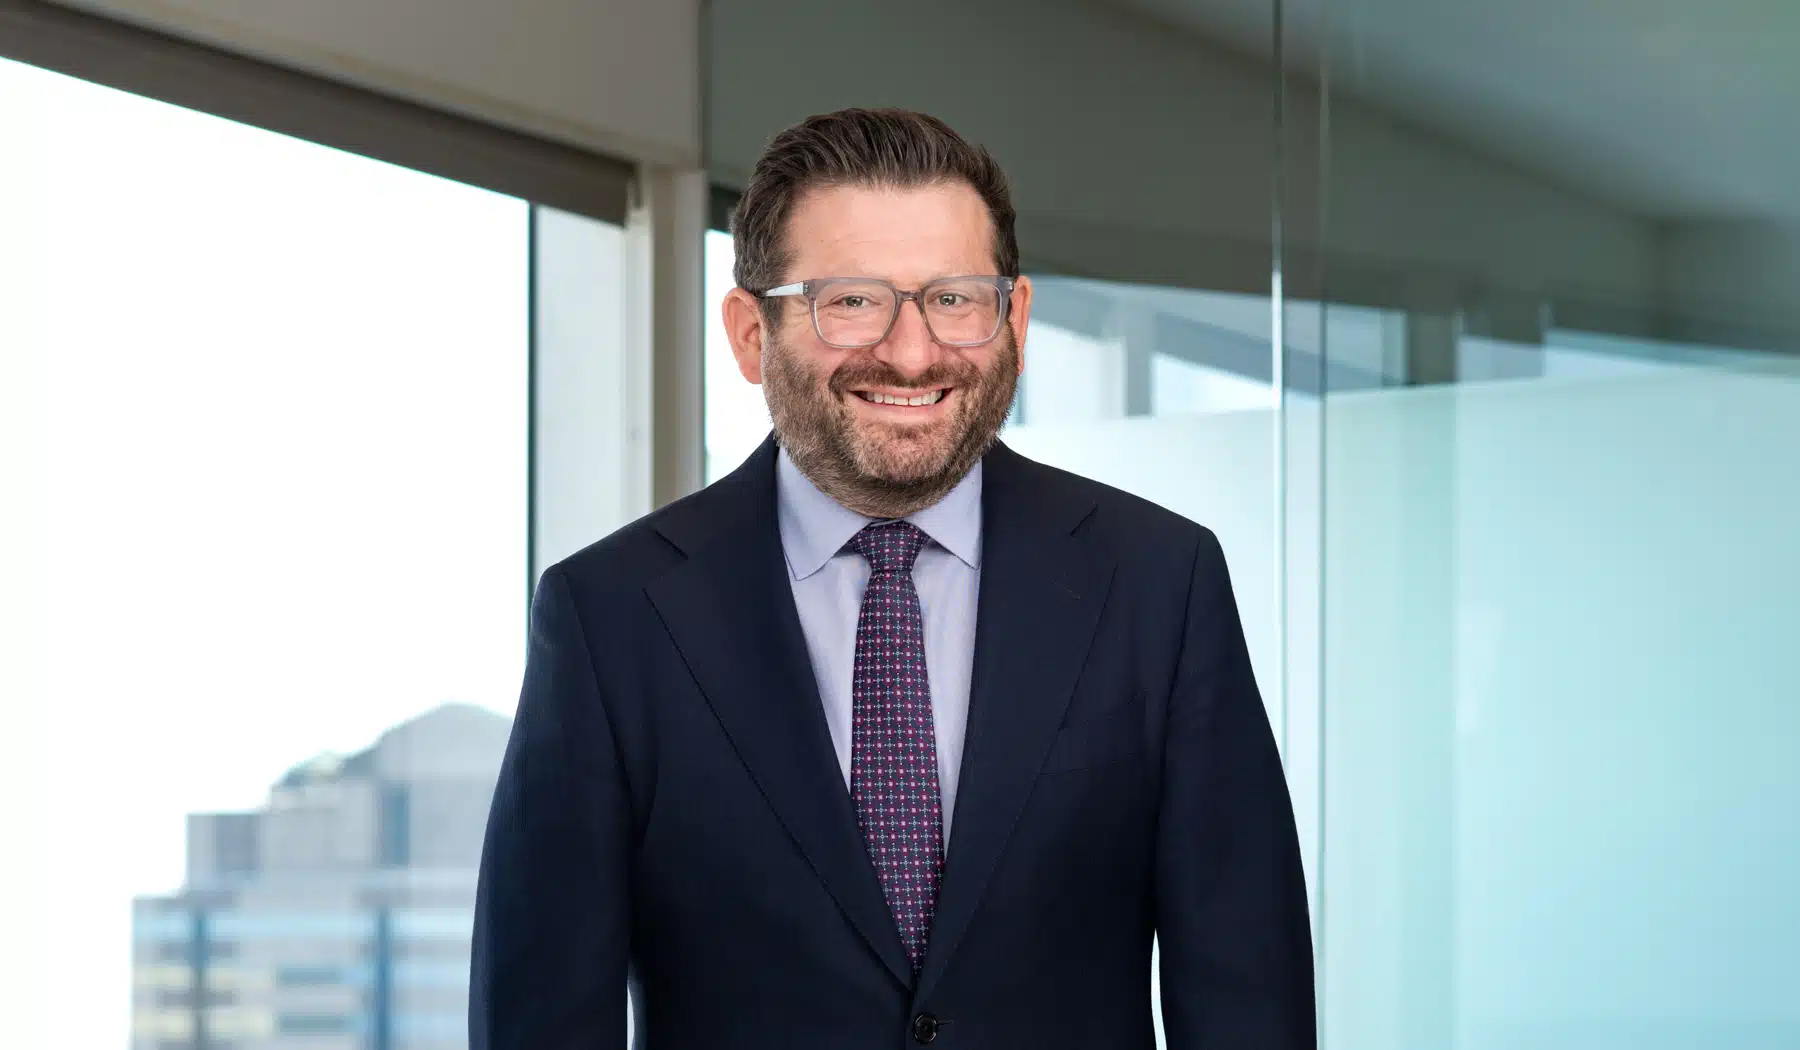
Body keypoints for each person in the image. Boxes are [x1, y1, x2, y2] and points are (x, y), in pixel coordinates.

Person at [470, 107, 1314, 1049]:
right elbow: (540, 1022)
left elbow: (1248, 1001)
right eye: (851, 301)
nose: (912, 353)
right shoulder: (609, 616)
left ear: (1015, 320)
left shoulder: (1159, 582)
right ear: (750, 333)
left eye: (954, 299)